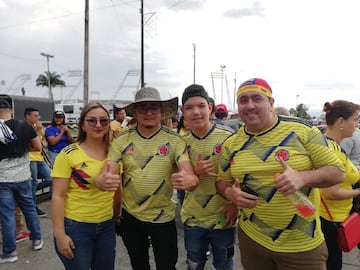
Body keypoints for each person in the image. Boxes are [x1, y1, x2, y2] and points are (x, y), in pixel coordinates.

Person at [215, 78, 345, 270]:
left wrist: (303, 177)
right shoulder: (230, 144)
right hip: (253, 240)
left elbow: (337, 173)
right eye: (243, 100)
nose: (249, 105)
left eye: (256, 98)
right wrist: (230, 194)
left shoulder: (303, 130)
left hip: (301, 243)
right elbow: (221, 182)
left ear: (271, 103)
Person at [95, 87, 199, 270]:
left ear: (161, 111)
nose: (149, 113)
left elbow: (189, 175)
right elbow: (107, 172)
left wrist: (190, 181)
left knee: (167, 265)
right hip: (131, 216)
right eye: (143, 108)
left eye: (154, 108)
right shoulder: (121, 140)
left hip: (163, 217)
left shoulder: (175, 140)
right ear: (135, 112)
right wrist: (101, 181)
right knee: (138, 264)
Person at [51, 101, 116, 269]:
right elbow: (57, 196)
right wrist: (59, 234)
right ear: (82, 125)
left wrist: (117, 217)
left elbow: (119, 190)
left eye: (104, 120)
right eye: (92, 121)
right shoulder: (68, 154)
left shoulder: (115, 153)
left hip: (107, 227)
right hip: (76, 227)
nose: (98, 125)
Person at [180, 84, 237, 269]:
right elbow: (180, 183)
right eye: (189, 108)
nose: (196, 112)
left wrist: (234, 205)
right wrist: (194, 172)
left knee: (225, 264)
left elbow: (240, 176)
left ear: (209, 108)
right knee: (195, 263)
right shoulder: (180, 143)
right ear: (182, 112)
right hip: (193, 219)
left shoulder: (229, 138)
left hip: (223, 218)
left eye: (201, 106)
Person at [0, 96, 44, 264]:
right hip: (23, 176)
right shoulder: (24, 126)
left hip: (2, 179)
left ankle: (10, 252)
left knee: (7, 215)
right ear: (10, 110)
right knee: (29, 209)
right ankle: (37, 239)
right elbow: (38, 147)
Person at [319, 100, 360, 270]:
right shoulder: (331, 151)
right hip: (330, 221)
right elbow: (330, 193)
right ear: (341, 122)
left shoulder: (333, 145)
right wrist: (358, 192)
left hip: (336, 217)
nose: (356, 125)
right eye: (355, 120)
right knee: (333, 264)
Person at [24, 107, 52, 217]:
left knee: (51, 178)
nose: (38, 118)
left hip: (40, 158)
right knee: (33, 181)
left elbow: (44, 144)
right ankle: (33, 206)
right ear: (28, 116)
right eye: (35, 115)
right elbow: (27, 144)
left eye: (38, 115)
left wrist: (40, 134)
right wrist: (37, 132)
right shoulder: (24, 128)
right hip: (30, 158)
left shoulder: (40, 127)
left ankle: (28, 193)